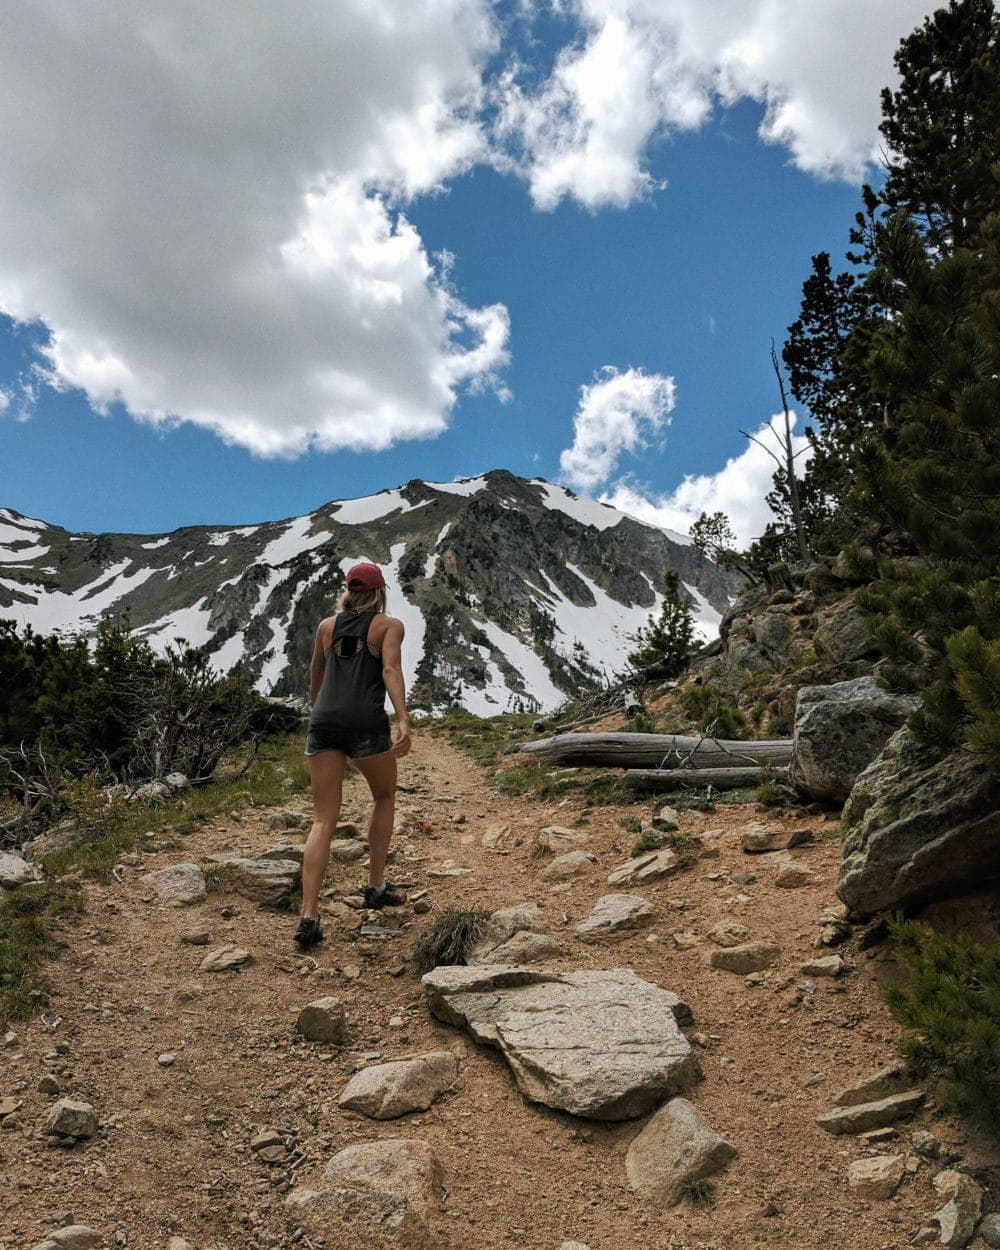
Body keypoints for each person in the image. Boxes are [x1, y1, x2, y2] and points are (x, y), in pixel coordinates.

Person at [293, 561, 411, 949]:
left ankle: (308, 915)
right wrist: (403, 721)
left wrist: (320, 715)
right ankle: (375, 885)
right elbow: (390, 669)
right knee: (383, 795)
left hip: (324, 722)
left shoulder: (326, 627)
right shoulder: (388, 626)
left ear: (348, 591)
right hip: (365, 722)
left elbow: (316, 676)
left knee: (323, 819)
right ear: (379, 592)